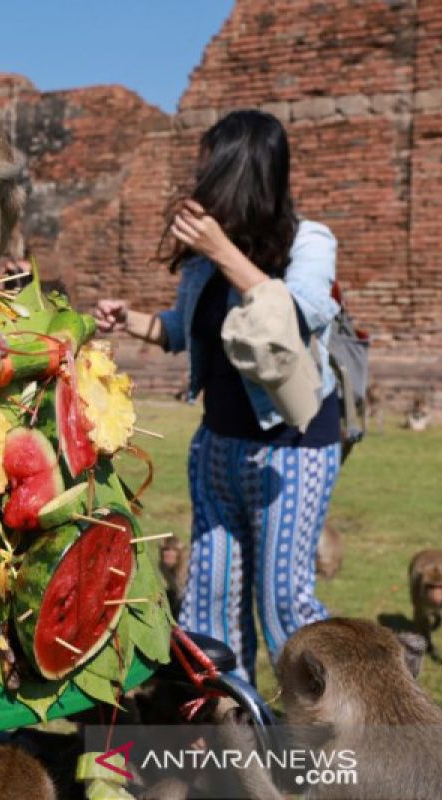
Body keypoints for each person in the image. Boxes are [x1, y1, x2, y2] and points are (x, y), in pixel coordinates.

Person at [94, 110, 342, 684]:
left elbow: (299, 315)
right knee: (211, 603)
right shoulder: (206, 261)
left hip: (292, 451)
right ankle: (234, 743)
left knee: (287, 610)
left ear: (242, 172)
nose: (198, 180)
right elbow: (183, 330)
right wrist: (128, 319)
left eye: (208, 167)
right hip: (217, 449)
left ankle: (338, 740)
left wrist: (224, 249)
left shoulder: (310, 242)